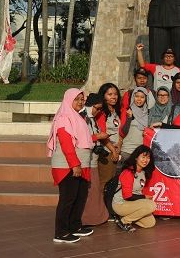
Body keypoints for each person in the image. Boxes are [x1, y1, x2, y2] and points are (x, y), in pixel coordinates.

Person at [48, 89, 107, 243]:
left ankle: (74, 227)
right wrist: (75, 165)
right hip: (67, 166)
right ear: (68, 100)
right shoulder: (63, 118)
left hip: (81, 164)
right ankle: (61, 233)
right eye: (77, 99)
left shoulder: (77, 117)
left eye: (82, 99)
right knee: (68, 199)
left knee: (79, 197)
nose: (80, 102)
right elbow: (67, 144)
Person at [81, 93, 111, 226]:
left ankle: (95, 217)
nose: (98, 111)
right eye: (97, 108)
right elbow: (82, 138)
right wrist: (98, 136)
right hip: (86, 159)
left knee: (94, 190)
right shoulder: (83, 118)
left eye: (100, 109)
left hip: (93, 159)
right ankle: (88, 219)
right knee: (91, 190)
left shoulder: (92, 118)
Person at [112, 145, 157, 232]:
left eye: (148, 158)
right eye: (143, 157)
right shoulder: (128, 172)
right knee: (151, 205)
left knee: (150, 223)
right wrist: (145, 197)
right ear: (136, 158)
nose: (145, 160)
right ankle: (124, 221)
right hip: (121, 204)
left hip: (132, 203)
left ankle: (124, 217)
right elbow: (127, 196)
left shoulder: (143, 172)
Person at [96, 83, 124, 185]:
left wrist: (119, 144)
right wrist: (113, 150)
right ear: (103, 96)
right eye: (110, 94)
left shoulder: (117, 111)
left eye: (115, 94)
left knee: (114, 183)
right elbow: (102, 134)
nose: (113, 97)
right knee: (105, 183)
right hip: (107, 152)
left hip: (117, 150)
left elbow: (120, 131)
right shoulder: (101, 112)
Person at [118, 87, 149, 166]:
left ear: (146, 99)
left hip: (141, 152)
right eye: (137, 96)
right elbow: (123, 132)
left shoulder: (148, 113)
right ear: (133, 97)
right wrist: (129, 118)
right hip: (127, 151)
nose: (139, 99)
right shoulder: (128, 111)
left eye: (142, 97)